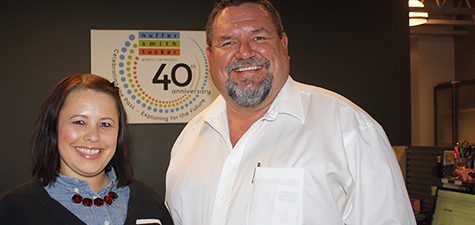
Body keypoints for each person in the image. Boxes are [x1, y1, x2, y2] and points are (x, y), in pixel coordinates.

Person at [165, 0, 416, 224]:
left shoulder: (350, 129)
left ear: (283, 45)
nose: (244, 52)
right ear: (210, 56)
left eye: (259, 38)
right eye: (228, 42)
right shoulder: (188, 141)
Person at [0, 74, 173, 225]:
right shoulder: (14, 208)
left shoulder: (147, 199)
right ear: (53, 127)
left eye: (105, 124)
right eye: (79, 122)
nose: (93, 136)